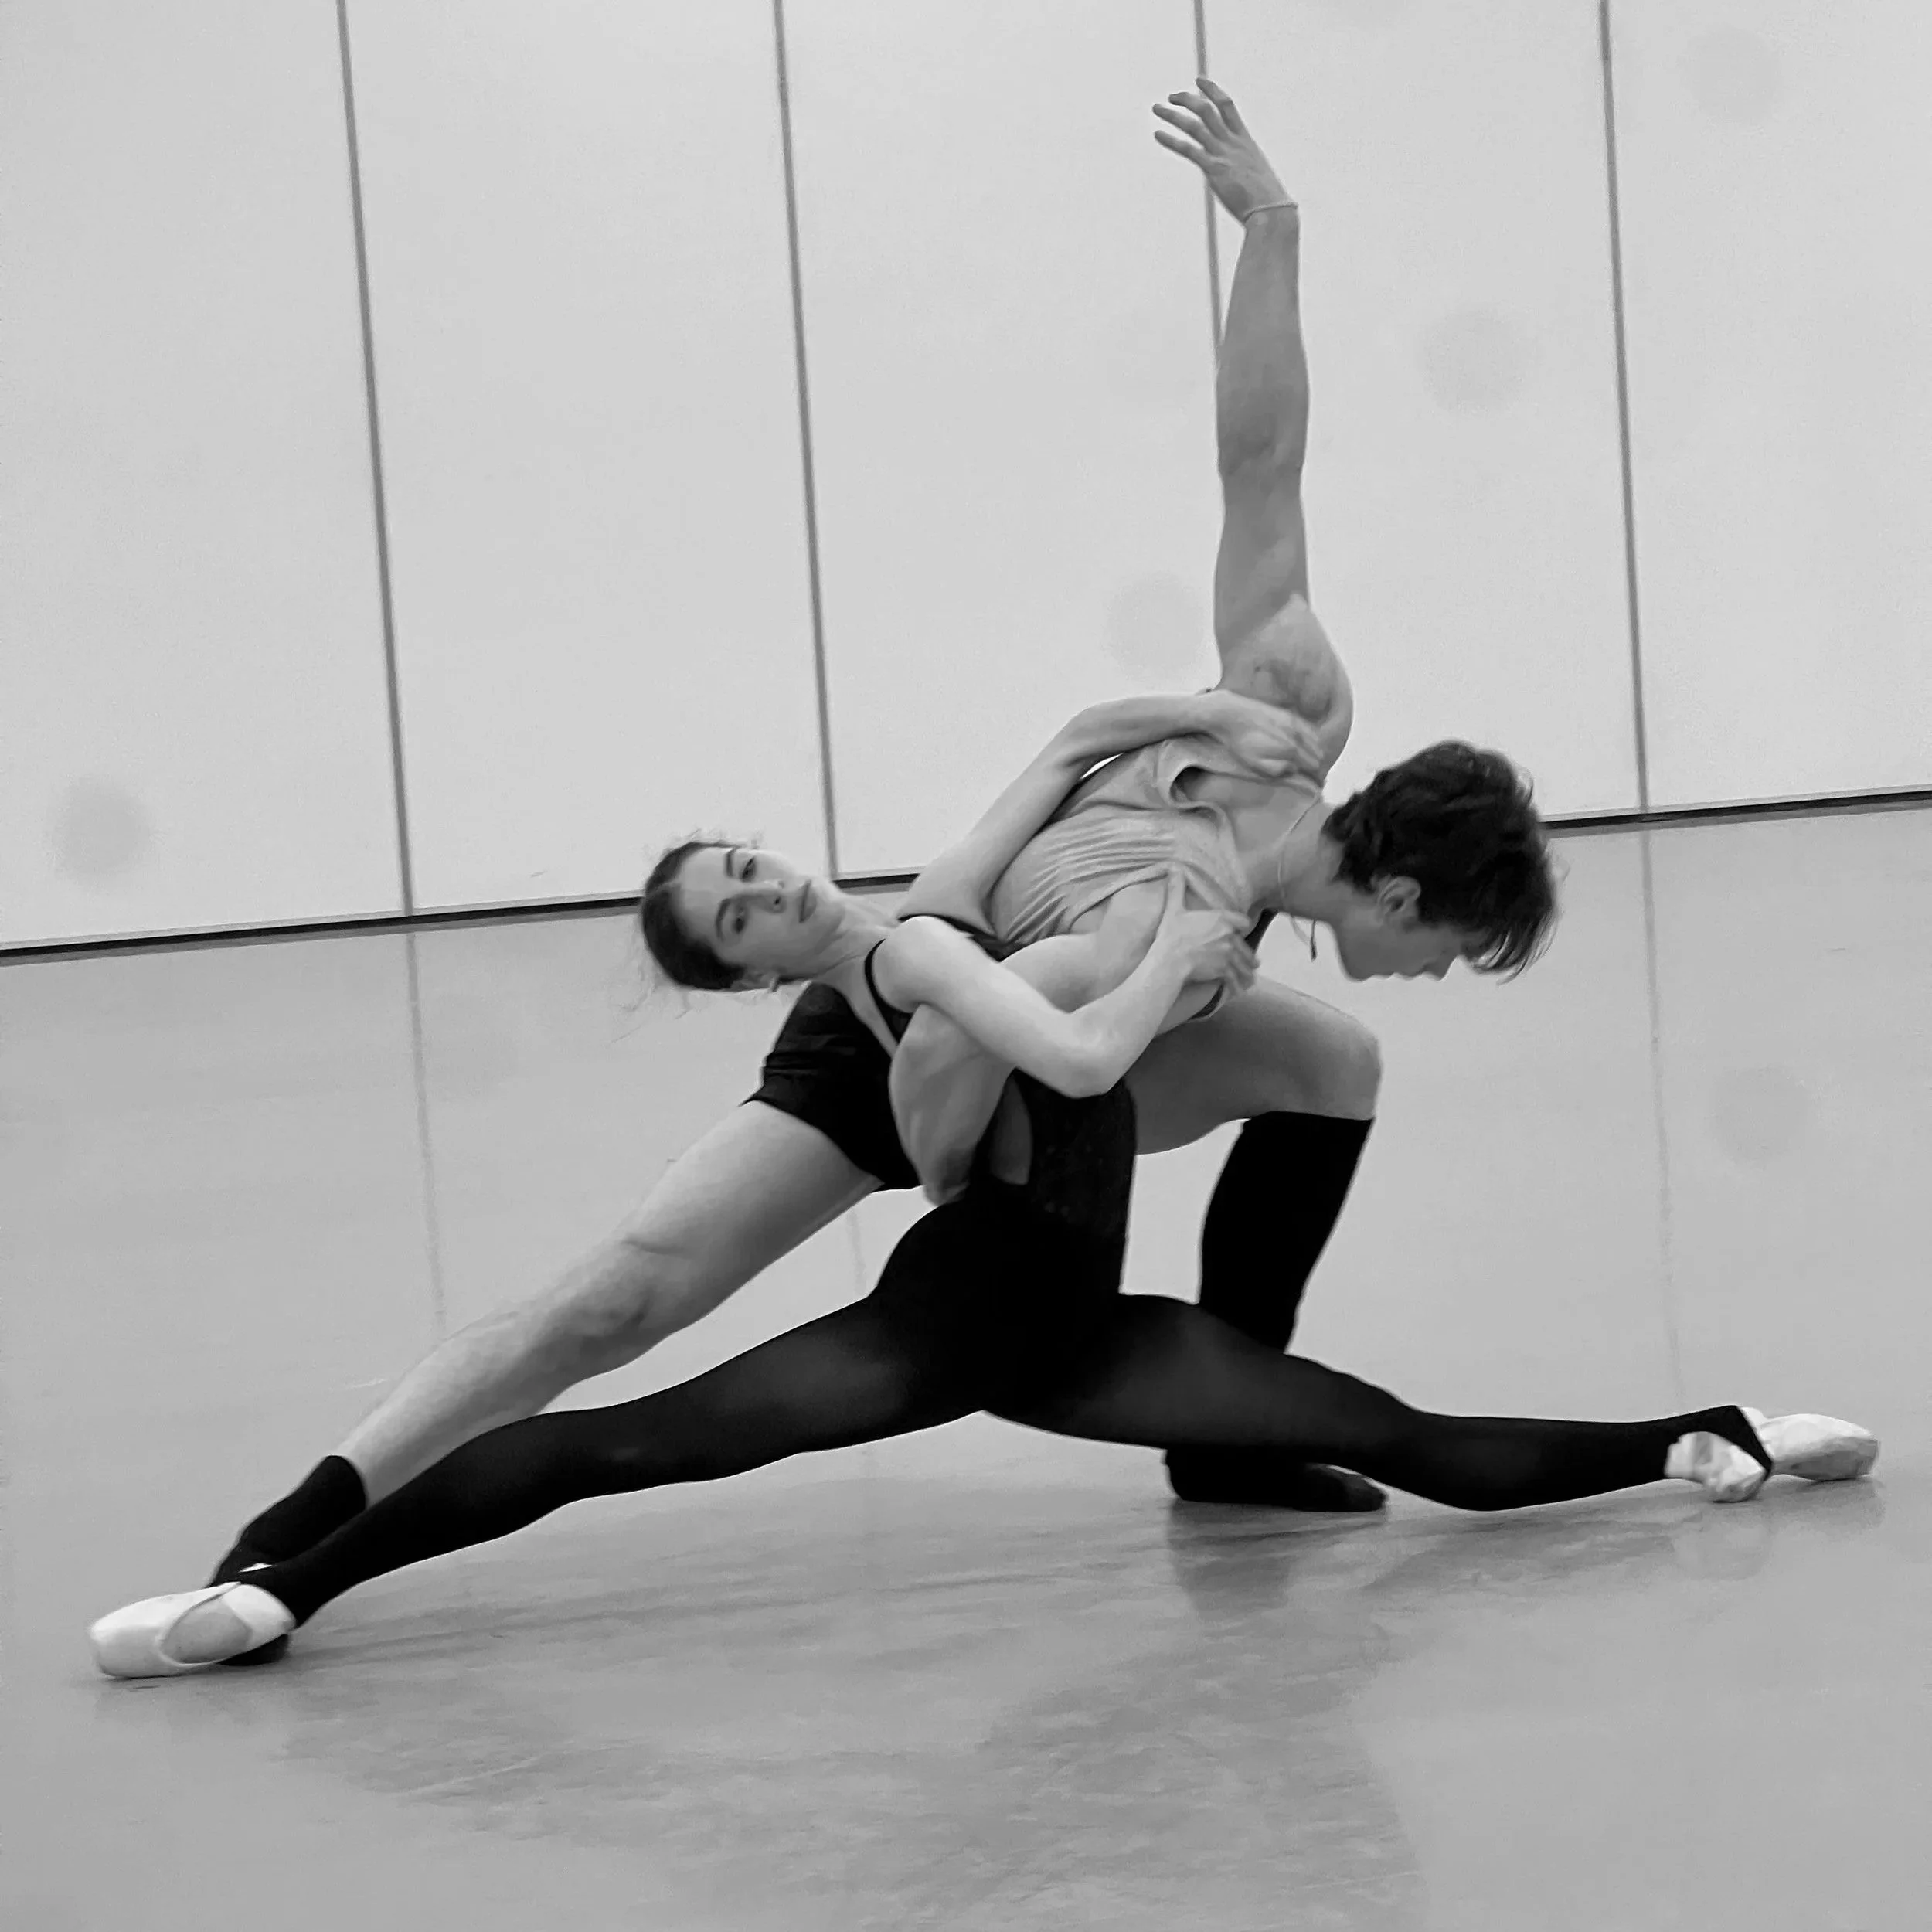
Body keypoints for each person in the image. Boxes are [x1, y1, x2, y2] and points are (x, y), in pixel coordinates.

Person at [182, 81, 1543, 1668]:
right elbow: (1260, 467)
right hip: (913, 1020)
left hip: (1044, 1030)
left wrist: (1273, 229)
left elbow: (1261, 476)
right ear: (1409, 890)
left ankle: (1224, 1430)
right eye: (1454, 943)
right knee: (623, 1299)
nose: (1442, 967)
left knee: (1333, 1059)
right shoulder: (1261, 736)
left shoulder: (1269, 780)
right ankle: (296, 1526)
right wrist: (1274, 232)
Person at [87, 713, 1878, 1676]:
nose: (766, 881)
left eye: (748, 863)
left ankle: (1710, 1427)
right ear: (747, 967)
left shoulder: (1008, 885)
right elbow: (1017, 1082)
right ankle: (282, 1579)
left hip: (1081, 1334)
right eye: (737, 906)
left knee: (1392, 1428)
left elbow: (1055, 810)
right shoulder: (922, 964)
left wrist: (1137, 740)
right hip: (942, 1321)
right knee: (622, 1408)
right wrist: (1151, 965)